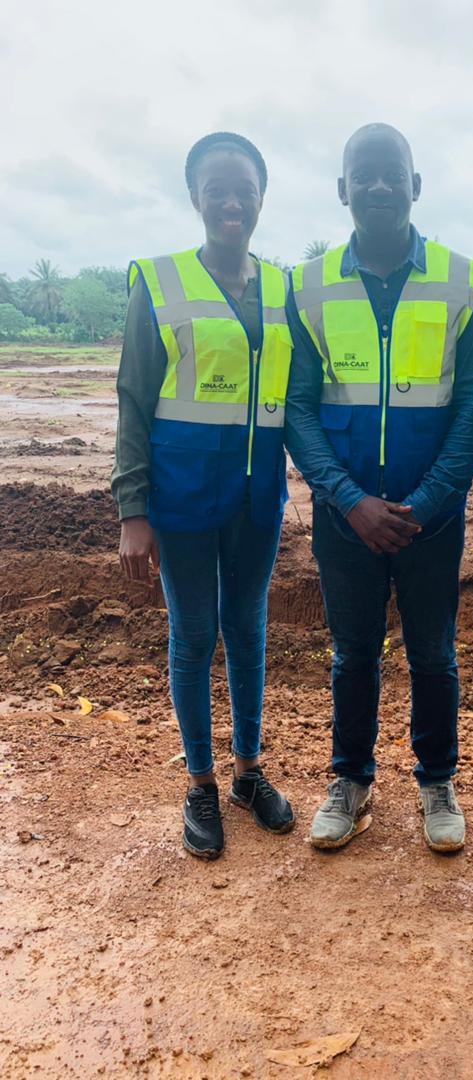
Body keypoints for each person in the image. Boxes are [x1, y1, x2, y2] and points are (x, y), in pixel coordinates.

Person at [285, 123, 473, 853]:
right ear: (343, 189)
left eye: (391, 174)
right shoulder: (307, 285)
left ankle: (437, 780)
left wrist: (428, 502)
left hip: (428, 519)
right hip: (346, 517)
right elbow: (299, 408)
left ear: (415, 184)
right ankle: (350, 781)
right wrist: (349, 499)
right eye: (362, 175)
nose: (377, 186)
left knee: (434, 654)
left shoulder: (462, 278)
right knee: (353, 654)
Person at [113, 132, 295, 860]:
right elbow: (132, 398)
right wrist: (133, 511)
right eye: (215, 188)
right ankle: (200, 783)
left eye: (243, 188)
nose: (230, 201)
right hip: (181, 496)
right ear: (195, 196)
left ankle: (249, 773)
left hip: (258, 495)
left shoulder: (284, 287)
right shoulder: (158, 283)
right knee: (193, 635)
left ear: (261, 196)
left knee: (248, 629)